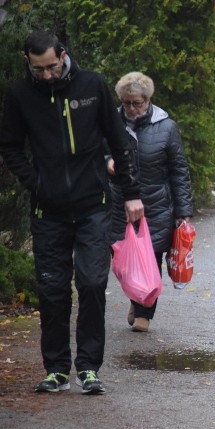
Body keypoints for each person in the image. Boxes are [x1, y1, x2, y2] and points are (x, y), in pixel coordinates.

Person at [0, 31, 143, 394]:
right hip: (48, 210)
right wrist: (37, 183)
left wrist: (131, 194)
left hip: (93, 205)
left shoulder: (92, 85)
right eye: (38, 69)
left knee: (93, 284)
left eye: (52, 66)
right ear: (28, 63)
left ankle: (89, 368)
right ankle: (57, 368)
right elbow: (11, 147)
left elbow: (119, 140)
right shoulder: (20, 95)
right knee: (52, 290)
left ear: (63, 55)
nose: (47, 75)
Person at [109, 72, 193, 333]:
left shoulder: (166, 127)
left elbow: (179, 170)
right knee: (122, 258)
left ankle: (145, 310)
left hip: (155, 205)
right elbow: (95, 150)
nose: (132, 109)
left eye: (137, 103)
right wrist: (105, 162)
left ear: (148, 100)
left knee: (150, 258)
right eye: (126, 103)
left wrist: (183, 211)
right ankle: (136, 296)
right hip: (118, 203)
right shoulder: (110, 122)